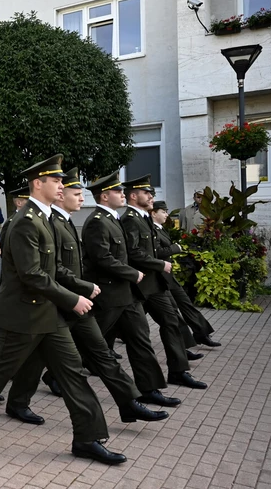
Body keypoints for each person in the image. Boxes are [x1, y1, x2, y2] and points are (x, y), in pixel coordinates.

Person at [0, 155, 125, 465]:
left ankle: (87, 438)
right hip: (24, 314)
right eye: (56, 180)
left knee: (73, 373)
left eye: (61, 180)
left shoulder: (45, 218)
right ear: (38, 184)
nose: (62, 185)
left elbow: (55, 267)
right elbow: (32, 274)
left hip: (48, 314)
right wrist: (72, 299)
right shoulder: (24, 222)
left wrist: (81, 287)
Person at [5, 168, 168, 425]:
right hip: (56, 301)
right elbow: (48, 270)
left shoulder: (65, 221)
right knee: (34, 357)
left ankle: (129, 403)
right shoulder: (48, 222)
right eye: (70, 190)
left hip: (75, 300)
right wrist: (77, 291)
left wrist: (82, 288)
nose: (81, 198)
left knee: (101, 353)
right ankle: (15, 402)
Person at [81, 171, 184, 408]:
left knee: (141, 339)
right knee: (90, 340)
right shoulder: (97, 221)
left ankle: (149, 389)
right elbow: (102, 258)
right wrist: (132, 273)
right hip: (109, 294)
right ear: (105, 196)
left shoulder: (113, 218)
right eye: (118, 191)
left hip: (126, 293)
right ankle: (55, 374)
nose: (123, 194)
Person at [121, 175, 207, 390]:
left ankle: (178, 371)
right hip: (139, 285)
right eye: (146, 193)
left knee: (172, 322)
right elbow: (133, 253)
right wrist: (160, 264)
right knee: (108, 328)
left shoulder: (144, 218)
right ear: (133, 196)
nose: (151, 196)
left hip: (153, 285)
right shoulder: (130, 219)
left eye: (151, 193)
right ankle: (63, 371)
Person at [150, 200, 220, 347]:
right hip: (156, 276)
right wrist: (176, 248)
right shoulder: (151, 230)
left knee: (185, 303)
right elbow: (157, 253)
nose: (166, 215)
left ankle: (201, 333)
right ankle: (117, 334)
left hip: (167, 275)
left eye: (166, 211)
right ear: (153, 213)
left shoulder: (161, 228)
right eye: (163, 212)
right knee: (142, 310)